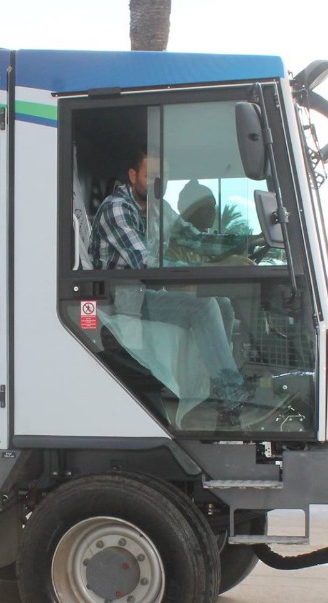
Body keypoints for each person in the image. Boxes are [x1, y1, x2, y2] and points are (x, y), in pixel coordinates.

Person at [88, 151, 249, 422]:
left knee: (221, 302)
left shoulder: (158, 208)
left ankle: (215, 386)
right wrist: (209, 269)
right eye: (151, 176)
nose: (157, 183)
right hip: (119, 302)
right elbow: (144, 263)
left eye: (162, 178)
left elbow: (194, 239)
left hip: (145, 296)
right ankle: (231, 397)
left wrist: (242, 243)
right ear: (132, 176)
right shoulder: (117, 208)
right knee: (203, 306)